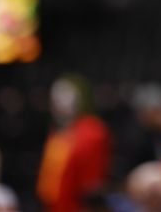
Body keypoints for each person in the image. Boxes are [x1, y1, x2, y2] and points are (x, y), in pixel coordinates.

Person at [37, 74, 112, 212]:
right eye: (54, 98)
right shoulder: (56, 132)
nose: (58, 103)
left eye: (65, 96)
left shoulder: (92, 131)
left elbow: (92, 185)